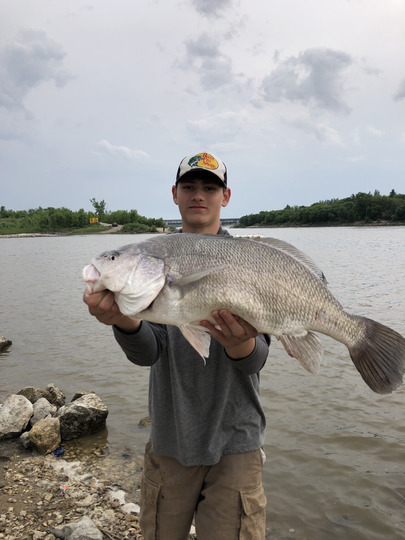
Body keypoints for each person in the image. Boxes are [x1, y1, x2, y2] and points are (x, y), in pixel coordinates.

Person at [83, 152, 270, 540]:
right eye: (189, 186)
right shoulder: (157, 257)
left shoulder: (252, 260)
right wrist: (124, 321)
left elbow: (256, 360)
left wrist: (240, 346)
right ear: (174, 194)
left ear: (226, 196)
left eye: (209, 187)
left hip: (236, 441)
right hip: (170, 440)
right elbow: (149, 354)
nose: (198, 195)